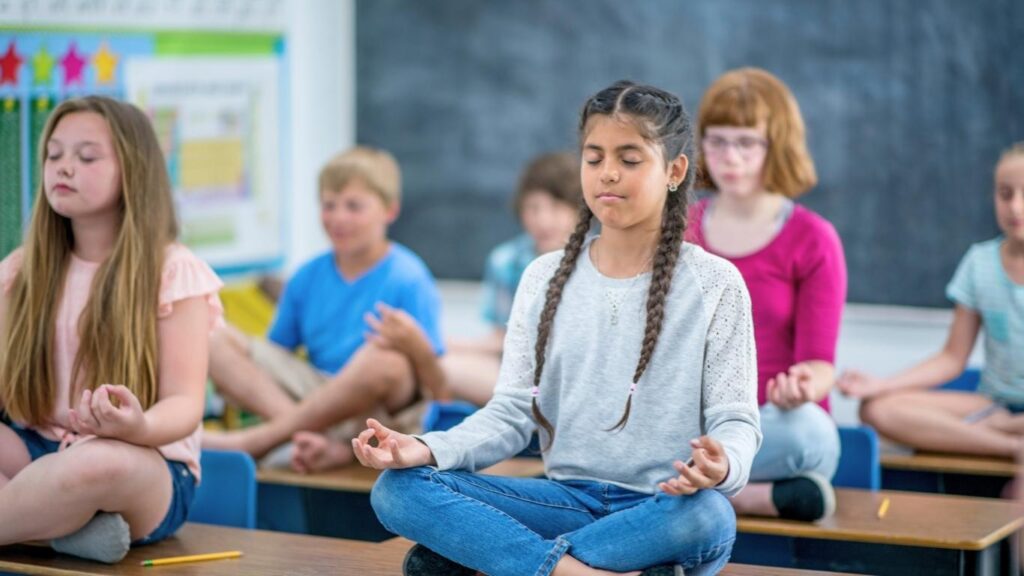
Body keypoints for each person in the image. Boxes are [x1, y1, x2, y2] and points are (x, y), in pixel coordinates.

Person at [353, 81, 761, 576]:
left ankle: (506, 561)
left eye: (630, 159)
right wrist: (428, 447)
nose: (608, 173)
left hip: (666, 507)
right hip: (563, 498)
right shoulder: (544, 277)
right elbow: (510, 414)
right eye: (594, 158)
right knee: (398, 490)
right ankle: (588, 572)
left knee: (710, 514)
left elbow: (736, 421)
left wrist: (724, 464)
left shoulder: (716, 284)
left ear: (675, 170)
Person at [0, 96, 222, 563]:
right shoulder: (19, 271)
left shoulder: (174, 271)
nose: (63, 167)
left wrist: (138, 427)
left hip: (143, 466)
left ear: (133, 172)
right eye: (54, 154)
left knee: (94, 462)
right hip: (32, 449)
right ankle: (65, 531)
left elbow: (185, 403)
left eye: (86, 157)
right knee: (62, 471)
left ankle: (45, 522)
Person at [202, 146, 446, 471]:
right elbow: (273, 357)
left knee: (386, 361)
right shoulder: (307, 276)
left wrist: (417, 346)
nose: (338, 217)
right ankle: (309, 437)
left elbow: (440, 391)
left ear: (389, 211)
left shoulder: (409, 277)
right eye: (329, 205)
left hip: (380, 417)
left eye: (354, 206)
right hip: (317, 399)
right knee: (212, 336)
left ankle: (261, 441)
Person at [686, 67, 846, 522]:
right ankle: (750, 499)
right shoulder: (682, 229)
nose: (729, 157)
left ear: (776, 145)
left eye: (746, 143)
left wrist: (801, 389)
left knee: (812, 433)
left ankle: (671, 489)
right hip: (693, 423)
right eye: (717, 141)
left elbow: (819, 366)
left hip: (771, 426)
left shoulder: (814, 239)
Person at [839, 143, 1024, 458]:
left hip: (992, 417)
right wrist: (881, 385)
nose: (1015, 207)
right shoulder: (980, 262)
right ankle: (1011, 443)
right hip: (994, 407)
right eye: (1005, 194)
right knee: (876, 409)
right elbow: (952, 357)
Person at [444, 151, 581, 406]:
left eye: (556, 207)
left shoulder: (597, 259)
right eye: (533, 208)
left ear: (579, 210)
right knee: (442, 365)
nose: (543, 220)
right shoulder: (506, 261)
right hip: (517, 373)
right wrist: (447, 345)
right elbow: (501, 339)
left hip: (574, 378)